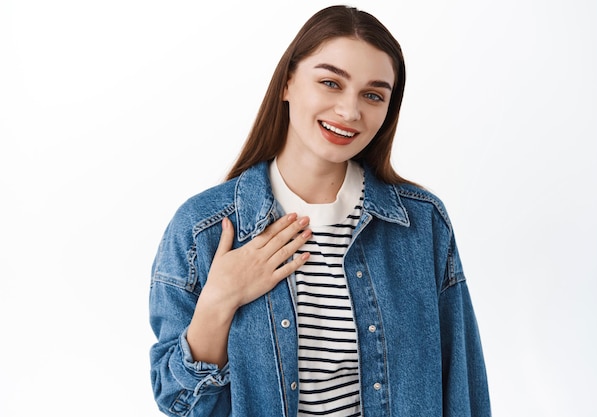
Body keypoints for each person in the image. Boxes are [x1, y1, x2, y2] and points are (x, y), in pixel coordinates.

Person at [149, 5, 491, 417]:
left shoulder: (421, 226)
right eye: (331, 82)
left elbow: (463, 391)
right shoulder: (203, 229)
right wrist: (219, 298)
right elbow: (179, 403)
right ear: (287, 83)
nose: (350, 111)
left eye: (373, 95)